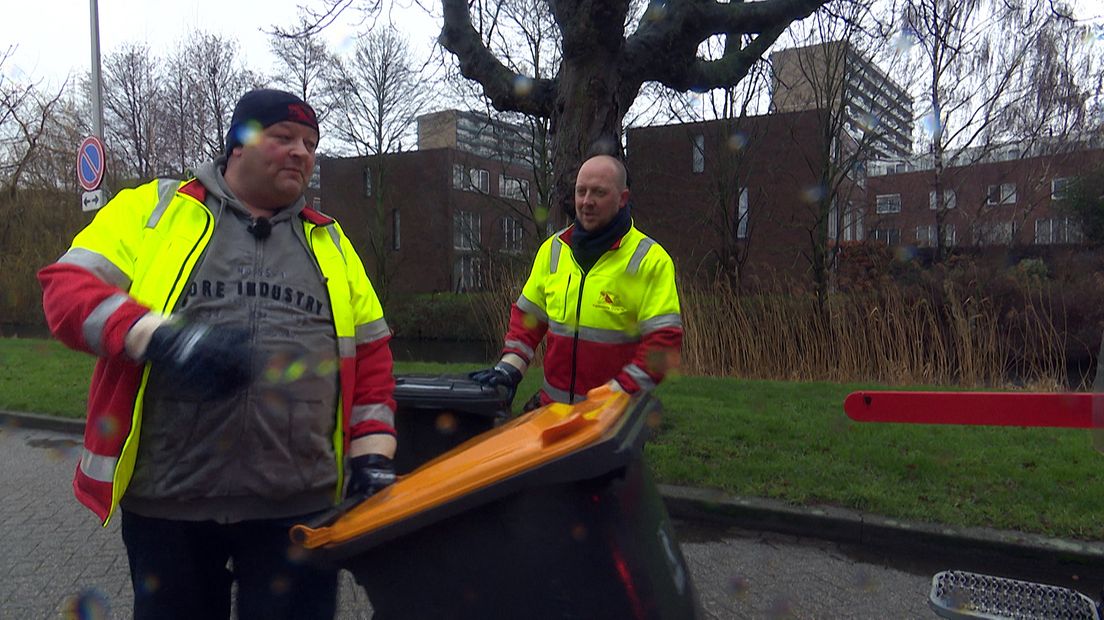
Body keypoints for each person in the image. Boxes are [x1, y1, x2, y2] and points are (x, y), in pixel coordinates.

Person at [38, 89, 397, 620]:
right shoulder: (154, 209)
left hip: (298, 510)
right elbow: (65, 292)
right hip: (170, 506)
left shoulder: (332, 242)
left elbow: (372, 360)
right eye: (283, 137)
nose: (301, 151)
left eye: (310, 142)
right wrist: (159, 336)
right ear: (238, 144)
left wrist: (374, 458)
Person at [472, 154, 683, 409]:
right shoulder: (553, 249)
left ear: (622, 198)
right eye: (580, 191)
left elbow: (663, 343)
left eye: (599, 193)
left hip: (613, 421)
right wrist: (509, 368)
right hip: (553, 411)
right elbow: (528, 319)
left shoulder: (650, 260)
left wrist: (615, 394)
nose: (586, 202)